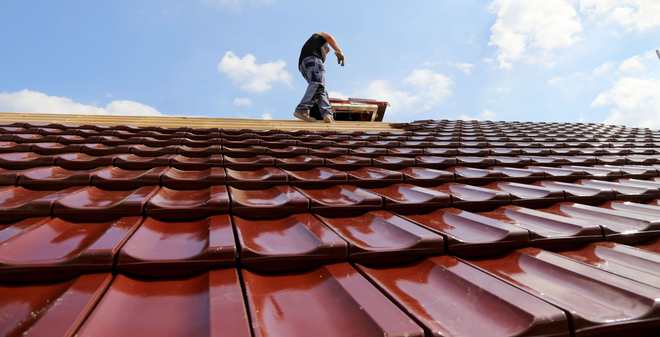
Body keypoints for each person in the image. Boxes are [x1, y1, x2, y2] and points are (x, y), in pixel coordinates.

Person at [294, 32, 345, 123]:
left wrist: (326, 50)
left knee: (320, 88)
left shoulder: (314, 44)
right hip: (313, 60)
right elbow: (329, 37)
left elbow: (327, 49)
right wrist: (339, 51)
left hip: (304, 65)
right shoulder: (321, 35)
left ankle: (327, 114)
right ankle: (302, 109)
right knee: (318, 83)